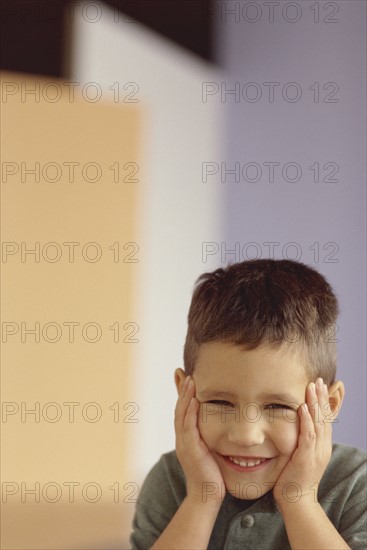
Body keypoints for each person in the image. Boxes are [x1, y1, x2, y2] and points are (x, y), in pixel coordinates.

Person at [130, 259, 366, 549]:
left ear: (327, 405)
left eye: (277, 407)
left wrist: (299, 499)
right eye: (220, 401)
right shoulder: (170, 481)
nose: (246, 435)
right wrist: (202, 497)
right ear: (185, 393)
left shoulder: (356, 485)